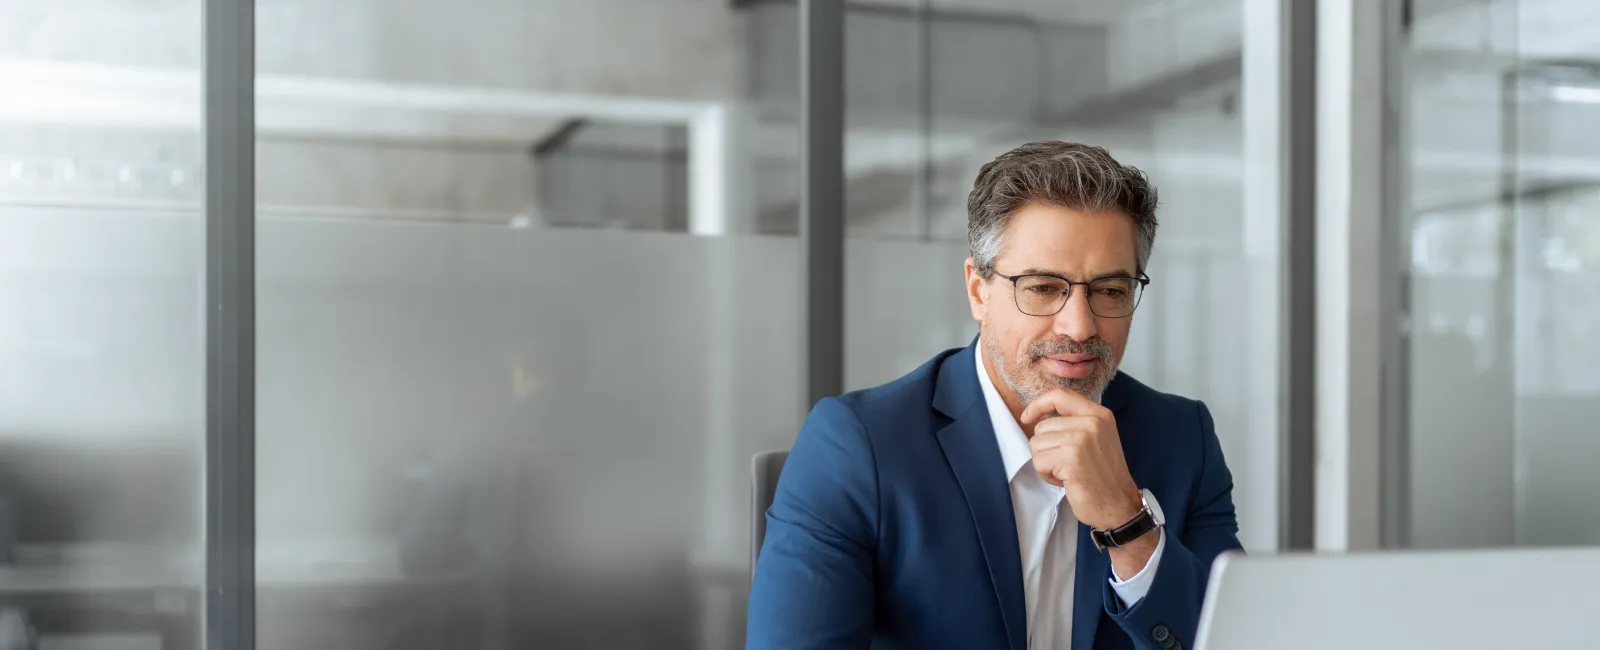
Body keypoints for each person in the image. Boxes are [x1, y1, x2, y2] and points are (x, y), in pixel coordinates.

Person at [747, 141, 1242, 650]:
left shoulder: (1184, 441)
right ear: (978, 291)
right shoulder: (857, 448)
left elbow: (1235, 640)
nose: (1079, 325)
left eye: (1110, 291)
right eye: (1043, 288)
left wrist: (1127, 523)